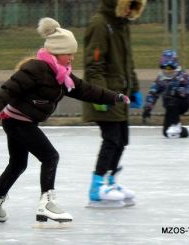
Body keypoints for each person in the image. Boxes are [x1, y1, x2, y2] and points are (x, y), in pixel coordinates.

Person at [0, 17, 130, 223]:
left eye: (74, 53)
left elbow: (87, 90)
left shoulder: (62, 75)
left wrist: (114, 96)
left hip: (19, 121)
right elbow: (9, 88)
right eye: (68, 53)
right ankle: (47, 203)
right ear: (56, 52)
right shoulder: (36, 68)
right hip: (18, 121)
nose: (72, 57)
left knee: (18, 164)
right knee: (50, 157)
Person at [82, 0, 147, 207]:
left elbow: (129, 62)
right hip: (107, 95)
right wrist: (101, 95)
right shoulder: (100, 23)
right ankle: (97, 187)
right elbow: (93, 65)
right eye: (128, 5)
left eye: (134, 7)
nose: (130, 11)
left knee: (122, 140)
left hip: (121, 94)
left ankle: (109, 181)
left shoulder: (121, 24)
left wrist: (135, 88)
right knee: (111, 139)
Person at [142, 49, 189, 138]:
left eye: (170, 69)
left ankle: (176, 125)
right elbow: (153, 93)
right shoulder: (160, 79)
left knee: (172, 101)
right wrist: (148, 108)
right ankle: (186, 131)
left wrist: (179, 91)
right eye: (164, 68)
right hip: (170, 107)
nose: (167, 71)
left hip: (183, 103)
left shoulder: (182, 76)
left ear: (175, 67)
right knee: (167, 133)